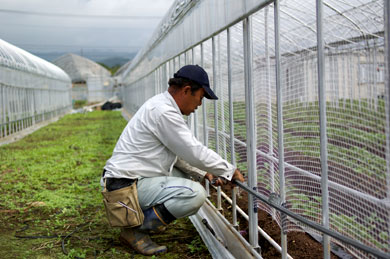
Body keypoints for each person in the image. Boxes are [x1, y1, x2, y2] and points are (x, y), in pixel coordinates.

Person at [101, 64, 244, 255]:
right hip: (124, 187)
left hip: (125, 181)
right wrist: (229, 170)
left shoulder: (161, 105)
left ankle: (144, 219)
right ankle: (135, 231)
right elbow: (193, 151)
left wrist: (204, 173)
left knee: (187, 178)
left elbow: (177, 155)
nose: (199, 104)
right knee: (195, 194)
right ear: (186, 90)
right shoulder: (163, 112)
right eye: (200, 97)